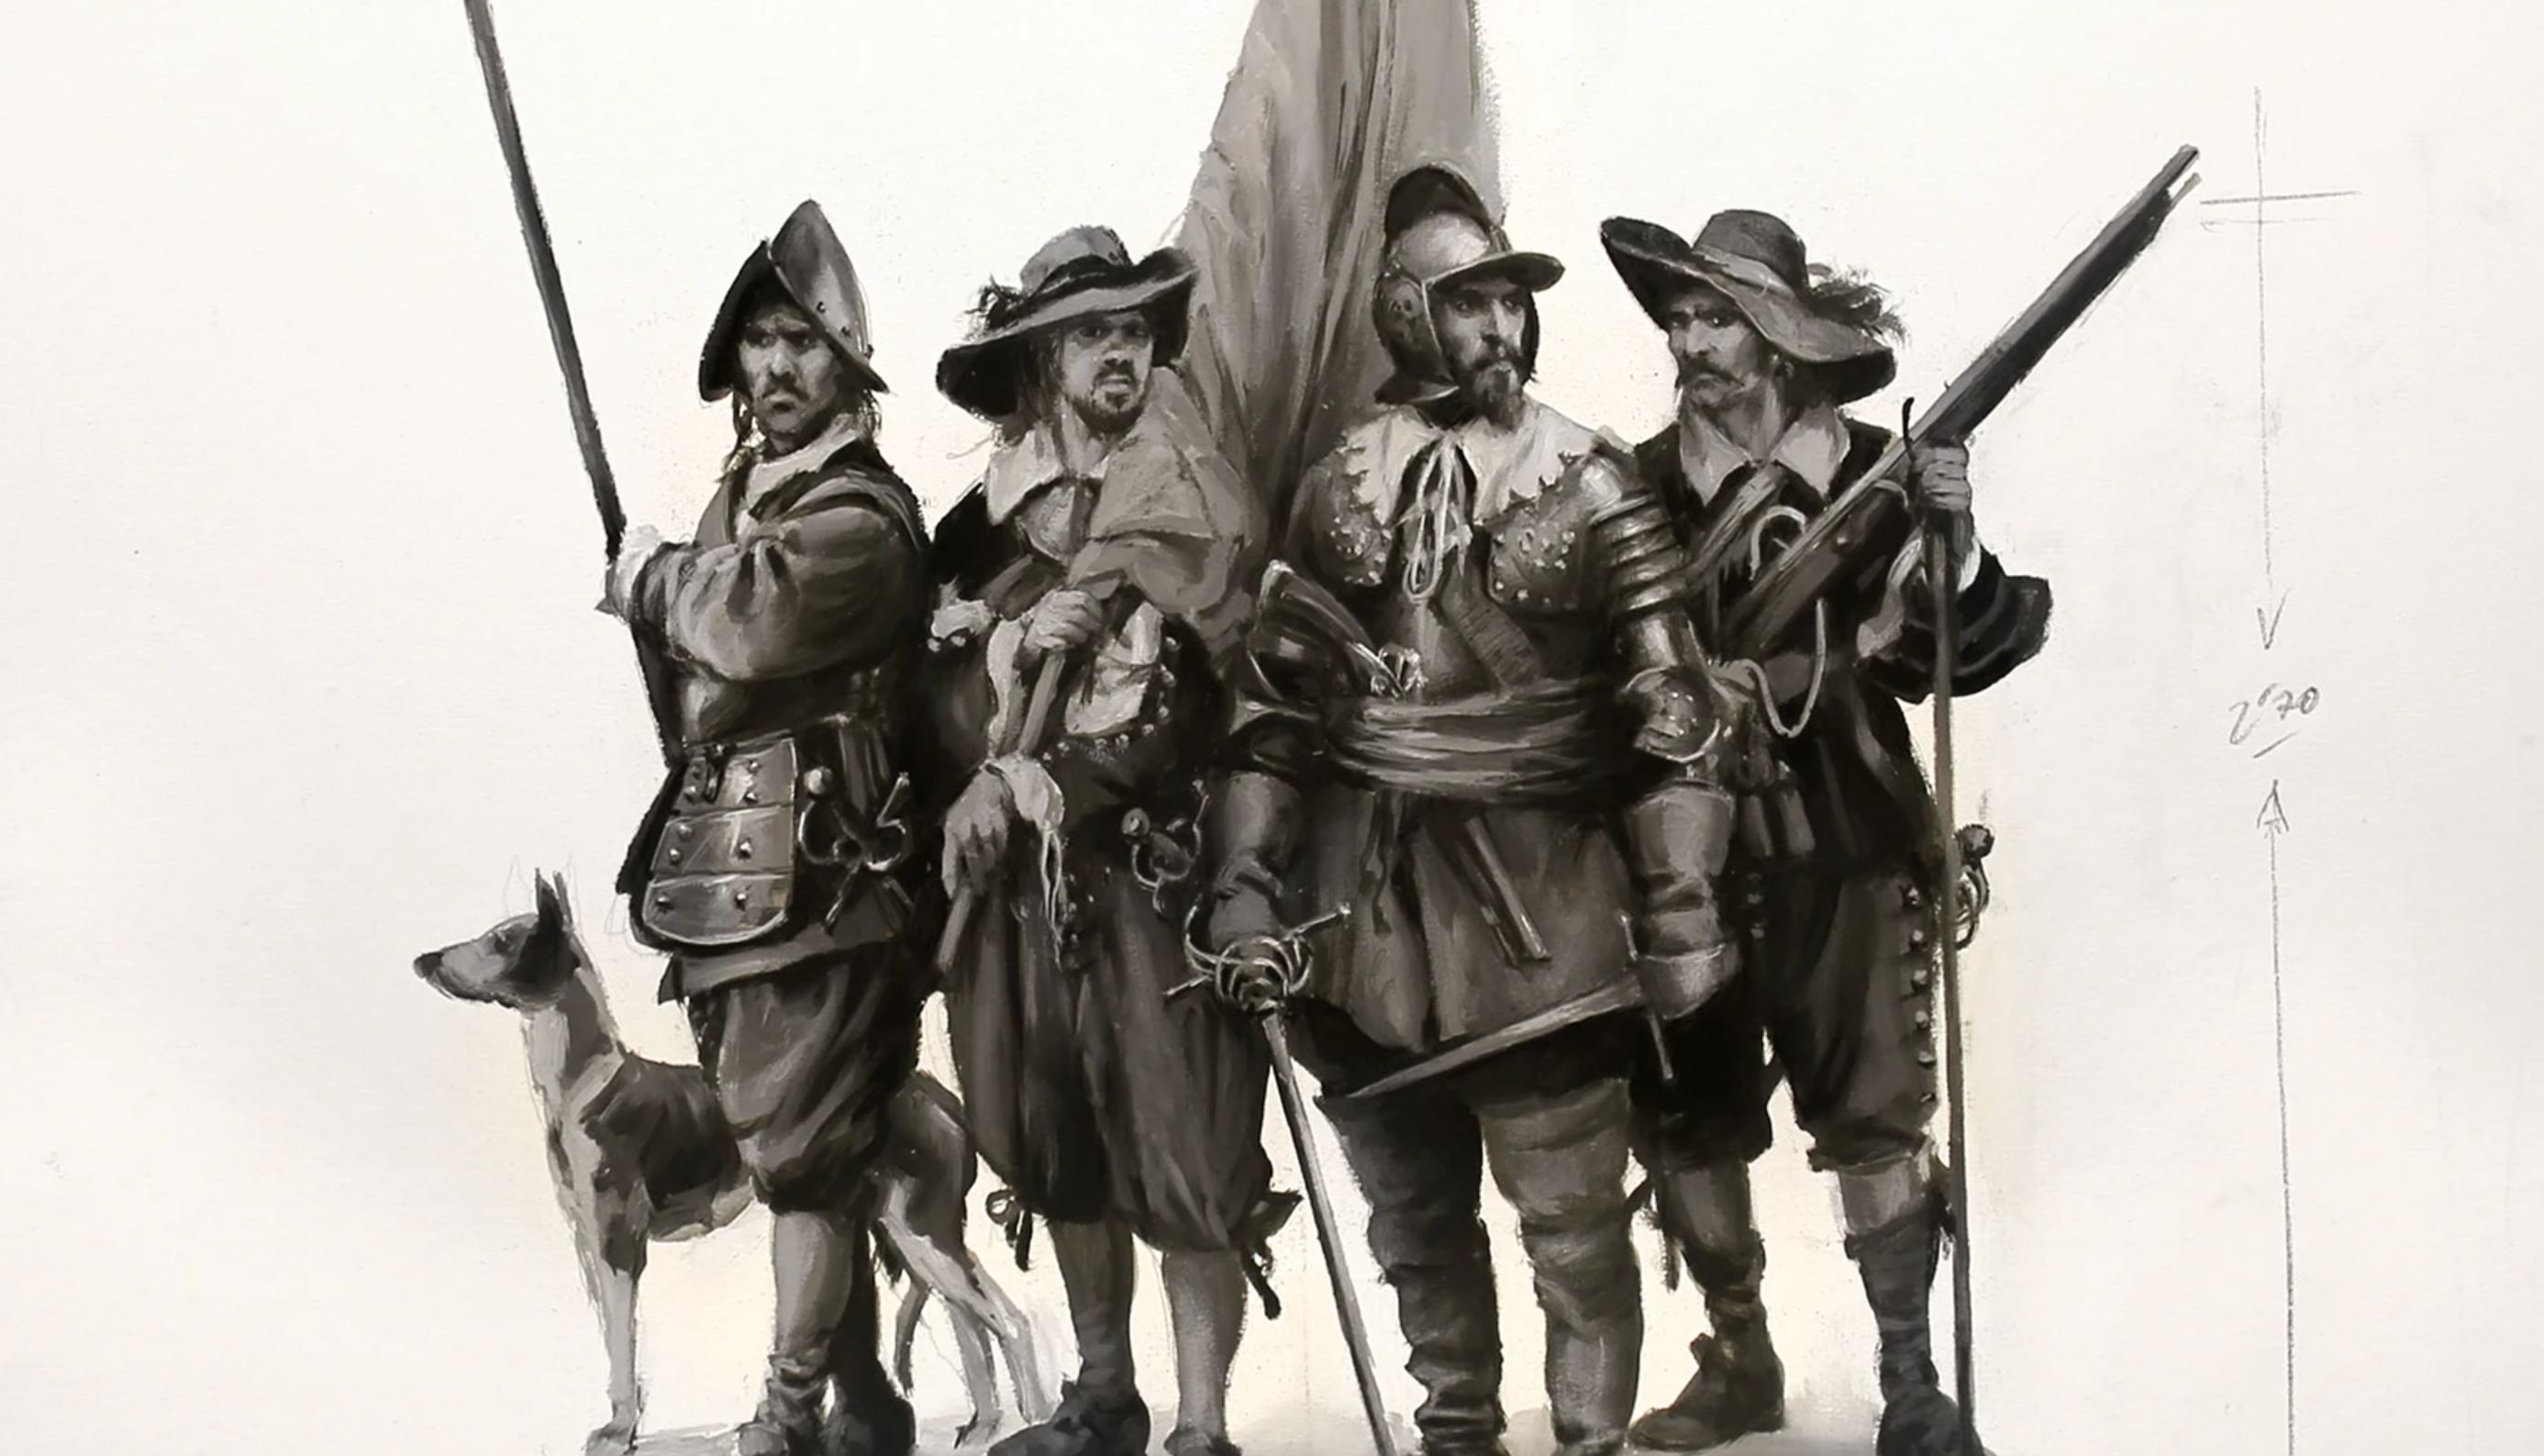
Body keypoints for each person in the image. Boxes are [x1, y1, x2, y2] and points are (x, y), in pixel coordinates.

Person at [1197, 168, 1738, 1456]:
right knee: (1416, 1230)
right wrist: (1244, 887)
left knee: (1573, 1234)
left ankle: (1589, 1446)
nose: (1502, 328)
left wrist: (1678, 906)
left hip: (1544, 912)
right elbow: (1274, 710)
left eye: (1511, 303)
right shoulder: (1338, 485)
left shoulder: (1589, 482)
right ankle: (1456, 1435)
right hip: (1365, 926)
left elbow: (1672, 709)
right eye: (1470, 303)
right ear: (1405, 314)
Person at [1596, 208, 2052, 1456]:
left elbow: (1946, 658)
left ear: (1780, 339)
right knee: (1687, 1120)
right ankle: (1739, 1360)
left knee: (1874, 1117)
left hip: (1846, 840)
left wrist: (1948, 538)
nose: (1690, 342)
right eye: (1680, 318)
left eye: (1718, 318)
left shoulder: (1872, 479)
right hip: (1678, 861)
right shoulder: (1631, 486)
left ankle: (1908, 1383)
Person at [922, 225, 1290, 1456]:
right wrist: (985, 683)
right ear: (1042, 361)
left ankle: (1204, 1428)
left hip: (1150, 882)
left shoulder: (1190, 502)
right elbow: (923, 702)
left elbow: (1197, 704)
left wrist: (1039, 779)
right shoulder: (975, 534)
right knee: (1053, 1140)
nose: (1118, 354)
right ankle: (1103, 1397)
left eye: (1132, 331)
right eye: (1091, 334)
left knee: (1184, 1153)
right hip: (1016, 902)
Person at [599, 200, 932, 1456]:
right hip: (721, 878)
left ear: (847, 364)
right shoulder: (740, 498)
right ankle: (862, 1406)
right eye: (760, 341)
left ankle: (788, 1420)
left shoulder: (864, 518)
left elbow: (754, 620)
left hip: (827, 883)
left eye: (804, 342)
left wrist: (652, 581)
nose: (780, 366)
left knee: (802, 1161)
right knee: (790, 1153)